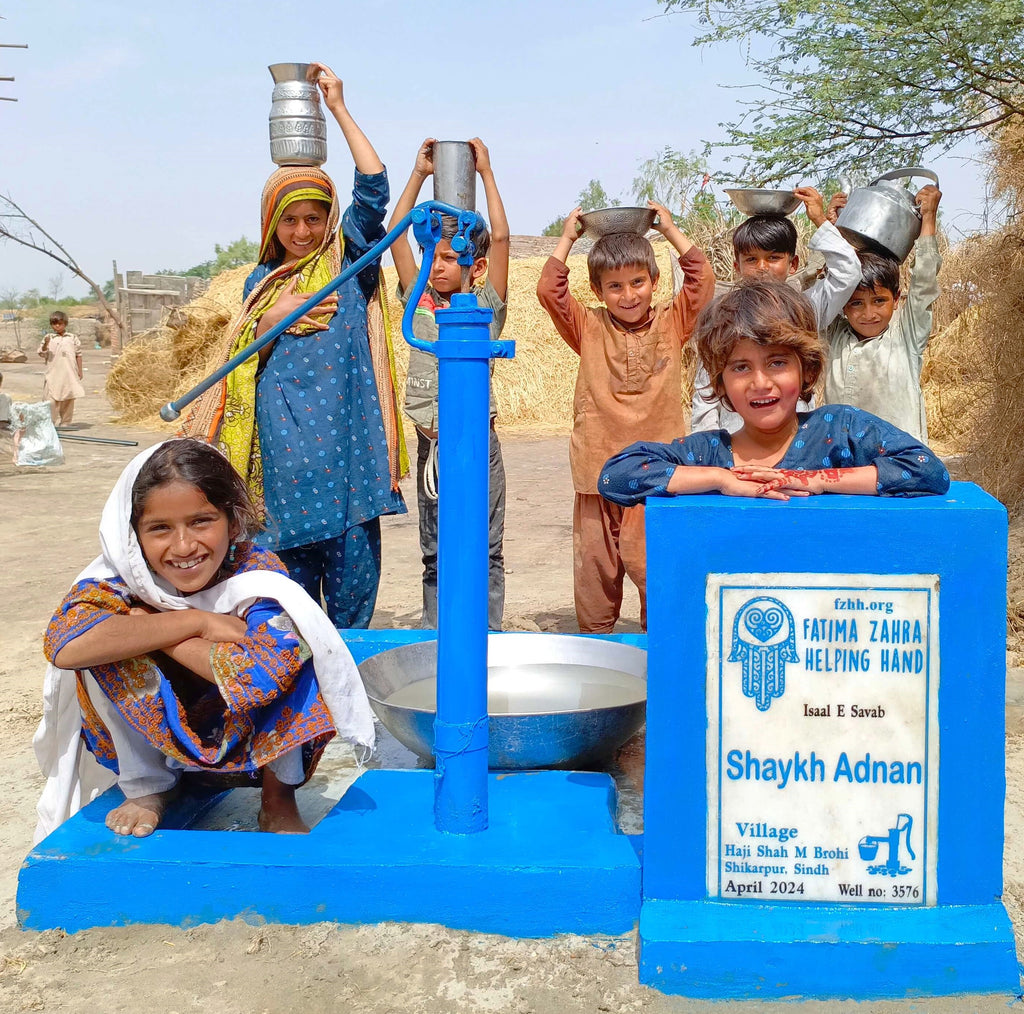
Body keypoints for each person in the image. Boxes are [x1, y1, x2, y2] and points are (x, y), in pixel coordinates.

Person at [35, 438, 374, 843]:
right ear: (133, 536)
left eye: (201, 522)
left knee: (300, 645)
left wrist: (156, 628)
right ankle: (149, 786)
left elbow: (259, 679)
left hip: (244, 732)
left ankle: (277, 799)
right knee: (104, 647)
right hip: (163, 732)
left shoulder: (254, 571)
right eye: (159, 528)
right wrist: (192, 622)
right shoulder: (118, 581)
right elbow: (64, 646)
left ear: (232, 523)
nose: (184, 546)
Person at [183, 63, 406, 629]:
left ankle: (345, 714)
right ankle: (296, 715)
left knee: (351, 620)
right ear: (270, 223)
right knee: (289, 617)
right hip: (287, 475)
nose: (303, 232)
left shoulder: (348, 263)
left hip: (352, 472)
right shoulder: (261, 283)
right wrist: (271, 321)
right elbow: (240, 364)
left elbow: (375, 185)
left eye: (314, 217)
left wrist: (338, 108)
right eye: (290, 221)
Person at [601, 279, 949, 506]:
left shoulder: (839, 430)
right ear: (720, 383)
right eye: (740, 367)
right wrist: (722, 480)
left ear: (808, 369)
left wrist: (813, 480)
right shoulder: (708, 452)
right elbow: (616, 475)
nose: (760, 382)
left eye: (777, 363)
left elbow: (927, 470)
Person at [536, 203, 716, 633]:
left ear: (654, 282)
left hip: (657, 473)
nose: (629, 294)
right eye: (615, 286)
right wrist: (568, 239)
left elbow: (701, 280)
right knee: (596, 569)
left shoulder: (674, 322)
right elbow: (549, 292)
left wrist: (669, 229)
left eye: (638, 282)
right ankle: (598, 648)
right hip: (596, 472)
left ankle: (660, 648)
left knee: (653, 565)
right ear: (598, 292)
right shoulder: (588, 326)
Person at [388, 137, 509, 629]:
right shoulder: (417, 303)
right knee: (435, 551)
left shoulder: (486, 310)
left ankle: (489, 638)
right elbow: (396, 235)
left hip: (481, 445)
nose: (435, 266)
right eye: (430, 255)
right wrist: (418, 174)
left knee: (487, 547)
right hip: (431, 448)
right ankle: (440, 641)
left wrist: (486, 174)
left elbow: (499, 238)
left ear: (473, 267)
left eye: (447, 257)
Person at [691, 187, 861, 433]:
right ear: (737, 265)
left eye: (773, 258)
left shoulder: (805, 310)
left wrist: (819, 220)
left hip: (796, 444)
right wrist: (710, 450)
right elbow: (706, 390)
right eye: (751, 259)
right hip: (736, 446)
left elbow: (848, 272)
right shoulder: (723, 317)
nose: (762, 268)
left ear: (792, 264)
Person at [824, 185, 942, 442]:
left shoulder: (906, 336)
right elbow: (830, 284)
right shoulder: (835, 335)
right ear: (843, 304)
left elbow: (924, 280)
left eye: (879, 300)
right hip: (846, 463)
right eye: (856, 303)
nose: (869, 313)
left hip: (900, 461)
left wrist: (929, 216)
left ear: (897, 299)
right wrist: (832, 229)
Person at [38, 310, 85, 427]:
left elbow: (78, 355)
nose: (57, 326)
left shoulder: (72, 338)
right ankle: (50, 423)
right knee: (51, 400)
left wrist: (80, 371)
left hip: (69, 373)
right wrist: (45, 344)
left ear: (65, 324)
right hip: (53, 373)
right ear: (51, 325)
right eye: (54, 324)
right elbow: (41, 353)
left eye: (60, 323)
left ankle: (65, 422)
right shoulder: (49, 338)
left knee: (68, 398)